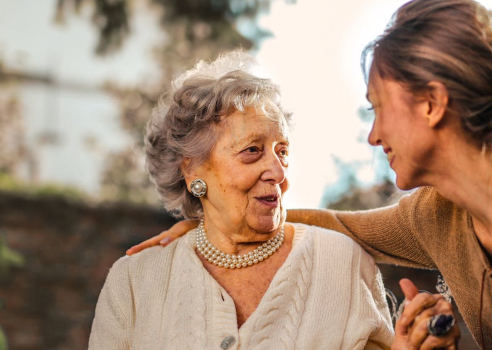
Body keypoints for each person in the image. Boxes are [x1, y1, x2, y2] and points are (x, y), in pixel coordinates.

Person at [126, 0, 492, 349]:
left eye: (378, 108)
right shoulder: (441, 213)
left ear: (433, 104)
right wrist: (214, 223)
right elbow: (340, 226)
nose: (374, 136)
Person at [88, 52, 428, 349]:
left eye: (282, 152)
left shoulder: (344, 263)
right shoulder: (133, 282)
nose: (278, 172)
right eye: (252, 151)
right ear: (192, 171)